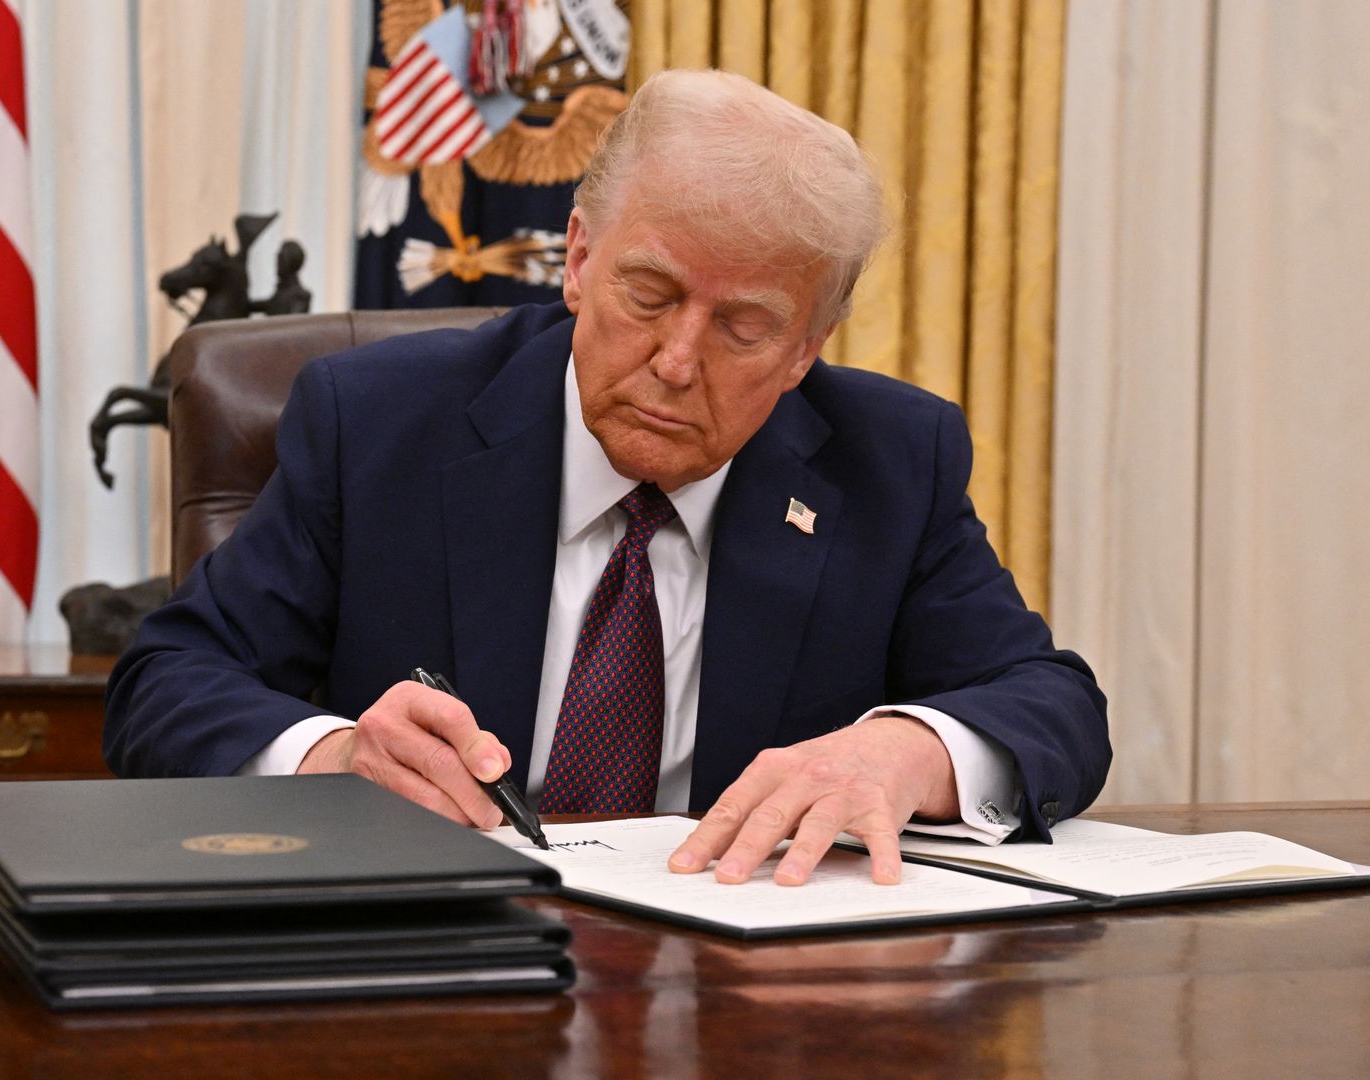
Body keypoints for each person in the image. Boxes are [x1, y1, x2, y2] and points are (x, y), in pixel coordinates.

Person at [104, 70, 1109, 886]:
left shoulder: (888, 460)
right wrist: (334, 760)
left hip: (745, 991)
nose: (677, 360)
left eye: (743, 328)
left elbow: (1053, 704)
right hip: (442, 972)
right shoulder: (378, 423)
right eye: (650, 294)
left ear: (807, 347)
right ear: (579, 260)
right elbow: (167, 682)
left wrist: (908, 753)